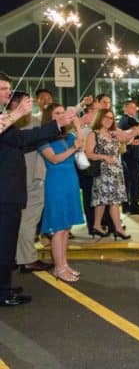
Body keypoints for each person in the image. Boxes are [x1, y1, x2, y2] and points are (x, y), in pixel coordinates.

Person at [0, 72, 75, 306]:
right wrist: (18, 113)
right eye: (3, 88)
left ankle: (4, 288)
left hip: (10, 190)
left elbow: (24, 138)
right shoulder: (7, 118)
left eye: (8, 88)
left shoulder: (6, 119)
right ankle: (3, 293)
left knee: (6, 244)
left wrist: (57, 124)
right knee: (4, 244)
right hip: (4, 192)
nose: (8, 93)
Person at [85, 109, 139, 240]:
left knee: (105, 201)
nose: (109, 120)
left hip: (116, 171)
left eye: (111, 118)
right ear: (99, 118)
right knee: (111, 201)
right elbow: (88, 154)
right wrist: (104, 157)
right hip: (103, 172)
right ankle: (118, 229)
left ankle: (97, 226)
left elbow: (127, 136)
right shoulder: (94, 134)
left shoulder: (114, 133)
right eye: (106, 118)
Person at [8, 91, 53, 273]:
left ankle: (15, 257)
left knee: (16, 221)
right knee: (29, 219)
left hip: (16, 179)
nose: (31, 105)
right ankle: (27, 258)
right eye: (27, 102)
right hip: (30, 178)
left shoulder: (7, 122)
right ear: (15, 105)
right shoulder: (24, 122)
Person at [39, 104, 85, 282]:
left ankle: (64, 264)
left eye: (63, 112)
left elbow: (82, 148)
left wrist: (78, 125)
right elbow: (54, 159)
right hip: (56, 182)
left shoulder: (68, 135)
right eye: (57, 113)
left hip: (71, 181)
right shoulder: (43, 138)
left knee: (66, 227)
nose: (62, 115)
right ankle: (59, 268)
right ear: (49, 118)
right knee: (58, 227)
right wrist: (73, 148)